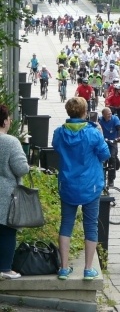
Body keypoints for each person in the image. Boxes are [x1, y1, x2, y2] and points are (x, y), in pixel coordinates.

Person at [52, 97, 110, 280]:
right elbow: (105, 154)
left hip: (68, 185)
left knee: (66, 224)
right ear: (85, 112)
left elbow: (56, 148)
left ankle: (64, 268)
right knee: (91, 226)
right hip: (90, 185)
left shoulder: (59, 133)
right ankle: (88, 269)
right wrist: (100, 134)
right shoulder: (93, 133)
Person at [0, 104, 30, 279]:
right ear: (4, 121)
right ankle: (5, 269)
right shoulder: (11, 142)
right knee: (7, 230)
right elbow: (21, 169)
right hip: (6, 194)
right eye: (9, 118)